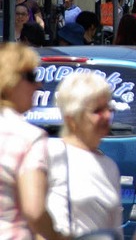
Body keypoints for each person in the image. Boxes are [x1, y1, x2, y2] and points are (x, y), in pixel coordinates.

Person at [0, 43, 66, 240]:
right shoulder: (28, 137)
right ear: (10, 81)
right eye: (31, 76)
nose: (38, 85)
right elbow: (34, 211)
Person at [46, 72, 122, 238]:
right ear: (72, 119)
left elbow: (115, 230)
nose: (107, 116)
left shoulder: (110, 166)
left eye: (108, 108)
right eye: (97, 110)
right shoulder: (51, 153)